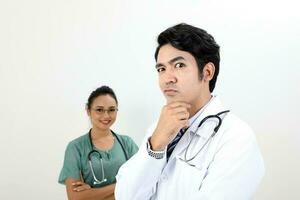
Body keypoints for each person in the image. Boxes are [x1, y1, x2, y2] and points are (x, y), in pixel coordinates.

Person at [115, 23, 265, 200]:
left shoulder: (236, 138)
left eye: (179, 65)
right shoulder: (159, 129)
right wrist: (155, 145)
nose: (167, 79)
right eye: (161, 69)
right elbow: (125, 196)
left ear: (207, 72)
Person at [58, 86, 138, 200]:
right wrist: (123, 185)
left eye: (111, 110)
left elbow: (142, 183)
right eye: (99, 110)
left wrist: (92, 192)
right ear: (88, 110)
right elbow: (75, 197)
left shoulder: (127, 143)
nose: (106, 115)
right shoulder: (75, 148)